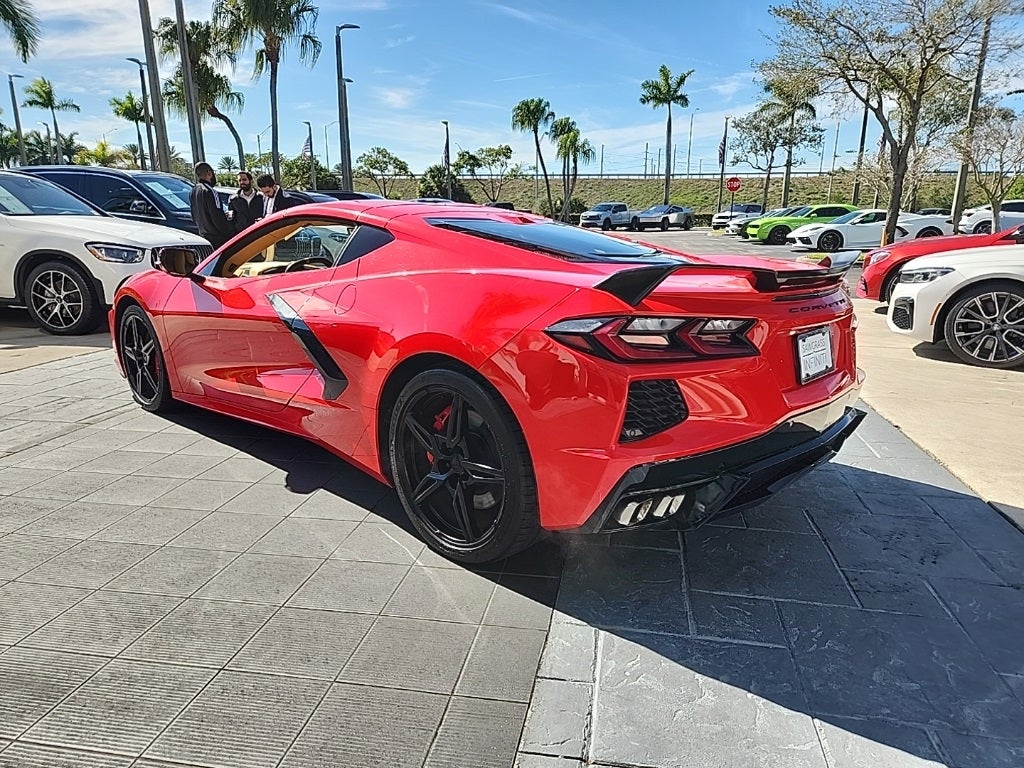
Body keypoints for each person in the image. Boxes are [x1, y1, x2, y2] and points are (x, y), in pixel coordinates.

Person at [189, 162, 232, 248]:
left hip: (203, 236)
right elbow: (217, 216)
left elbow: (194, 215)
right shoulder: (210, 191)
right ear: (209, 172)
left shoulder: (193, 191)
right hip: (217, 238)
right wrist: (229, 233)